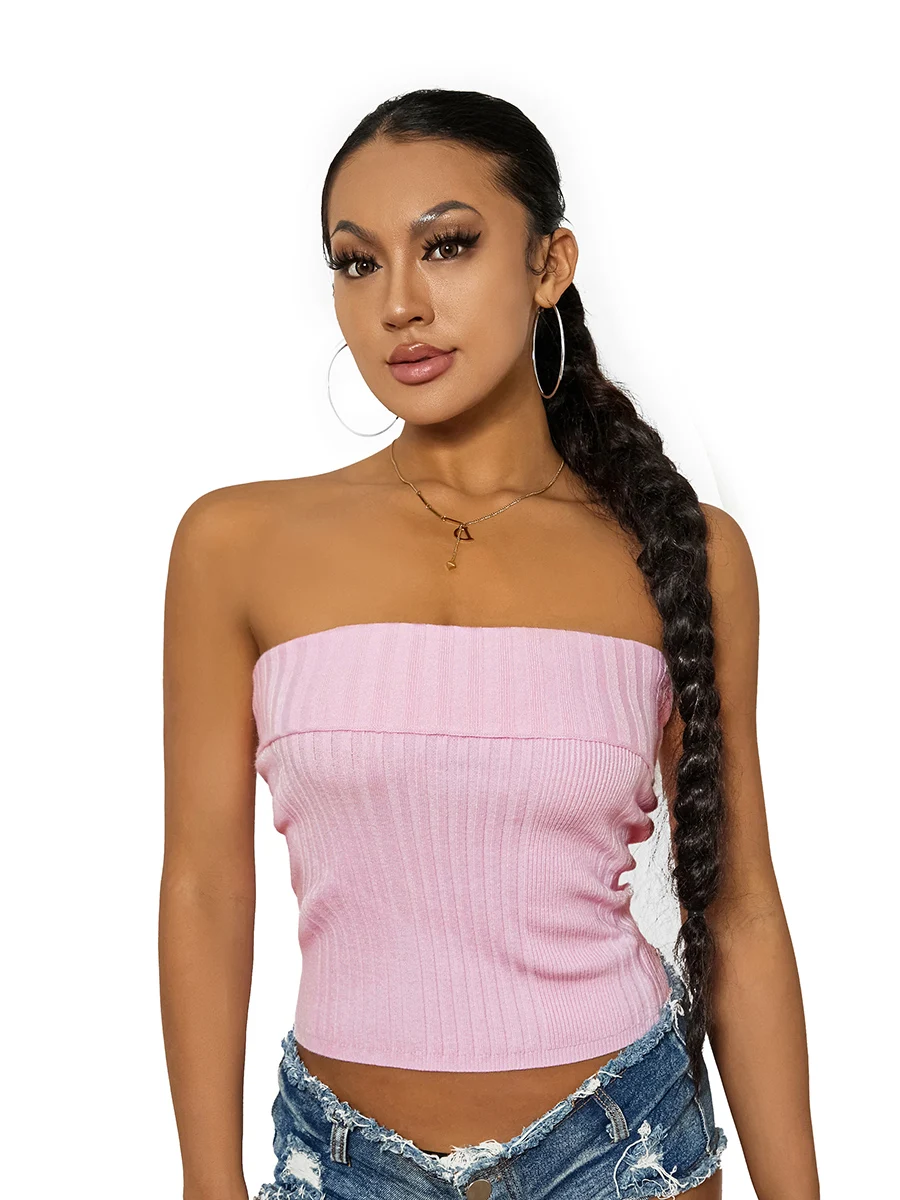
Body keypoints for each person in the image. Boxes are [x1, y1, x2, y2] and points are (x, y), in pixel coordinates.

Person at [159, 89, 819, 1200]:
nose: (399, 305)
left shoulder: (687, 553)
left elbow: (738, 907)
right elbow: (204, 888)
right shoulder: (237, 545)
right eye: (357, 262)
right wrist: (205, 1184)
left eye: (448, 246)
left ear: (549, 264)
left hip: (623, 1155)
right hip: (343, 1167)